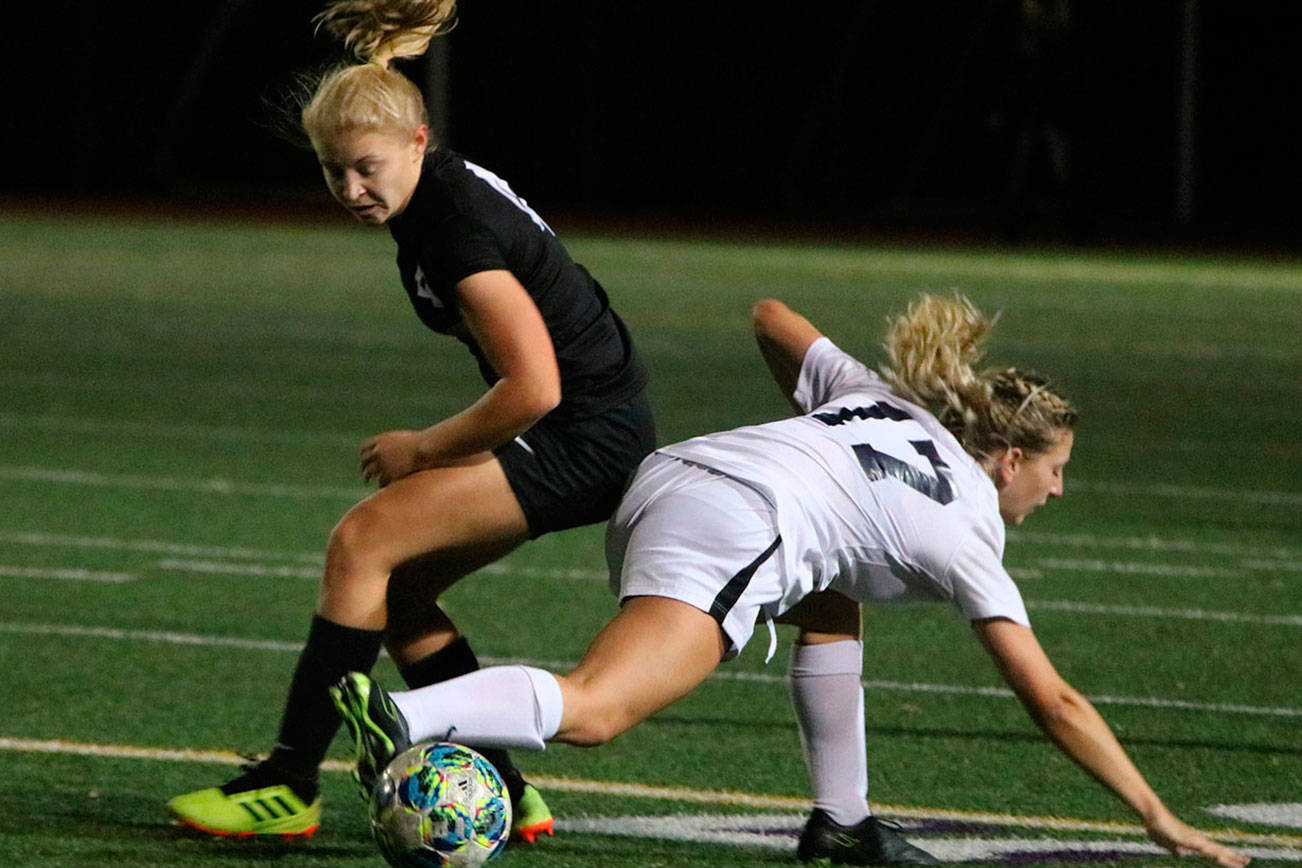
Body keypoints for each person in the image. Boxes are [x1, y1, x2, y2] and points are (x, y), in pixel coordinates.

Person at [328, 293, 1250, 867]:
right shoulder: (969, 524)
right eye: (1055, 470)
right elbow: (1054, 702)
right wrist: (1156, 816)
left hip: (677, 476)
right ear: (1006, 459)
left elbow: (771, 315)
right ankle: (402, 718)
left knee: (832, 599)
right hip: (737, 526)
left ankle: (841, 822)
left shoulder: (887, 403)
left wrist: (821, 439)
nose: (1060, 487)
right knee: (599, 709)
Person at [165, 0, 654, 843]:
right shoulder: (433, 196)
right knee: (400, 590)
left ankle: (287, 785)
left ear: (418, 143)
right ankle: (506, 785)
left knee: (363, 543)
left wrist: (423, 448)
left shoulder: (455, 229)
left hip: (584, 434)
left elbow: (533, 385)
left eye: (365, 167)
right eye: (331, 171)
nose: (351, 190)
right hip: (592, 426)